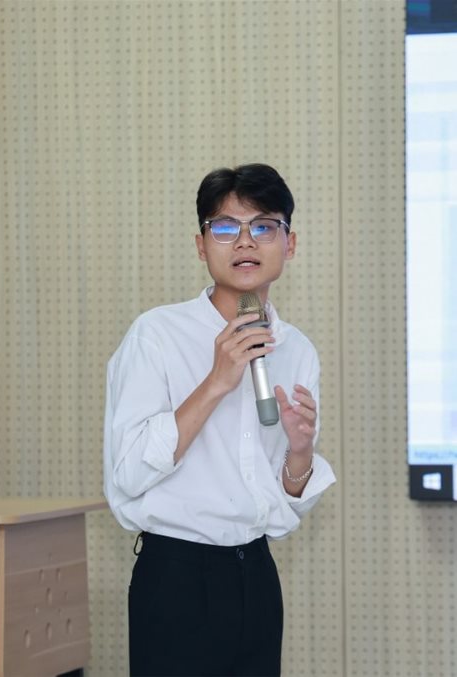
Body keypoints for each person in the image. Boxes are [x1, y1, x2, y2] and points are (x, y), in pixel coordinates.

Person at [103, 163, 336, 676]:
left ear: (290, 244)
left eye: (264, 226)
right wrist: (215, 382)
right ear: (201, 245)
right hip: (176, 576)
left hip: (256, 573)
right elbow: (127, 474)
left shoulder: (297, 349)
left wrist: (300, 452)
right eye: (226, 227)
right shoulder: (156, 335)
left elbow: (287, 497)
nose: (245, 241)